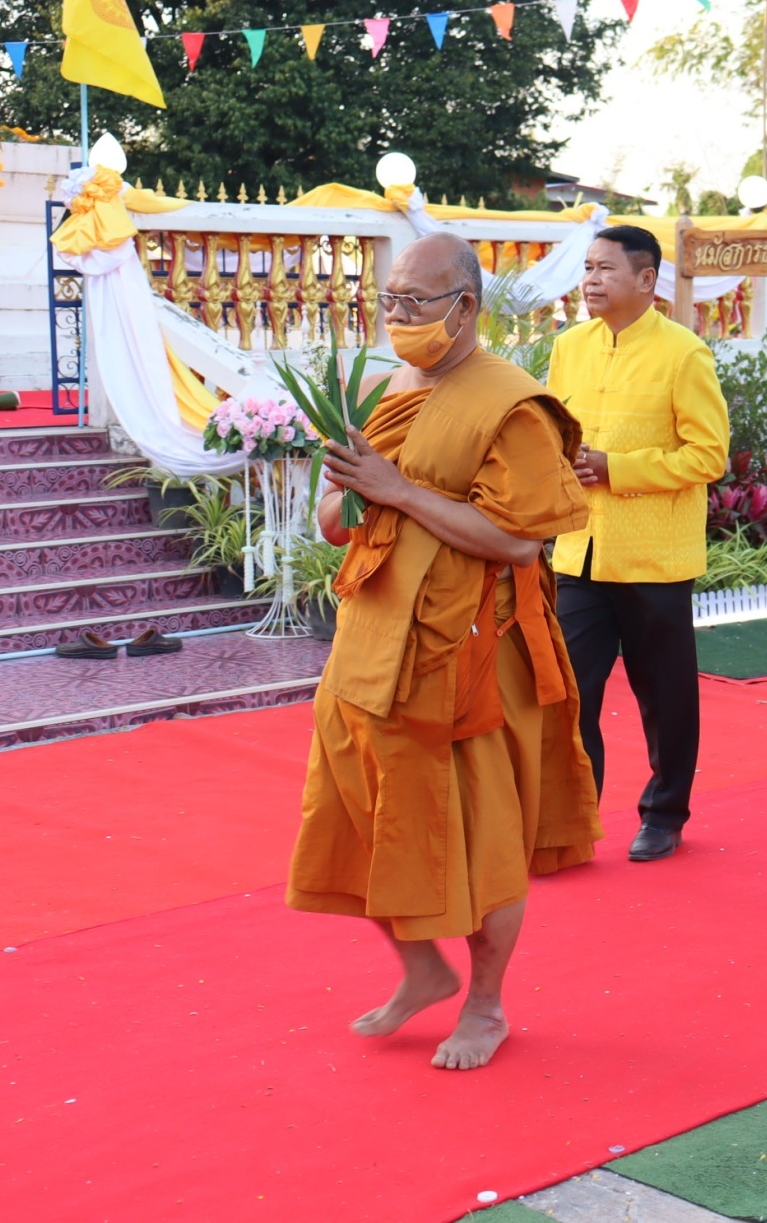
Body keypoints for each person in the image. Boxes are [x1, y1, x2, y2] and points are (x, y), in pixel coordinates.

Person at [288, 232, 601, 1072]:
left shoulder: (513, 404)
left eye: (414, 302)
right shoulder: (391, 386)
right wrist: (348, 493)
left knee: (481, 834)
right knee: (361, 809)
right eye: (389, 300)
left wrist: (397, 489)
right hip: (370, 637)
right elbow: (341, 522)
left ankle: (487, 1004)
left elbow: (519, 541)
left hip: (467, 649)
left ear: (465, 307)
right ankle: (423, 967)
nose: (397, 316)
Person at [546, 225, 730, 863]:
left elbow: (708, 455)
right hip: (580, 550)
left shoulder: (683, 353)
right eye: (587, 268)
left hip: (655, 557)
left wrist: (615, 467)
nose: (591, 280)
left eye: (605, 269)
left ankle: (665, 813)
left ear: (647, 280)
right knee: (570, 692)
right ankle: (573, 816)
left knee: (665, 696)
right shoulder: (569, 346)